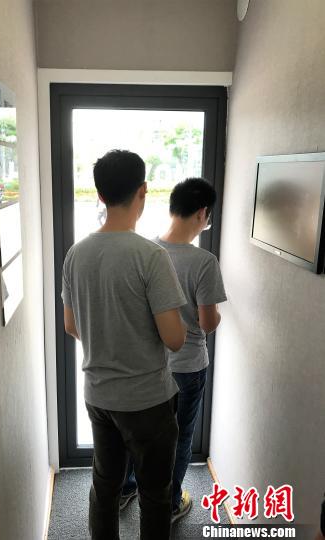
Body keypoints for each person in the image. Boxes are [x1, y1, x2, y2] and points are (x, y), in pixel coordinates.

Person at [61, 149, 188, 540]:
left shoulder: (76, 254)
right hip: (147, 400)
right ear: (142, 191)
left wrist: (109, 337)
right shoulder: (151, 256)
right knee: (155, 494)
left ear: (100, 194)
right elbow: (175, 339)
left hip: (99, 396)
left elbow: (71, 326)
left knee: (105, 487)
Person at [121, 178, 227, 524]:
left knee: (139, 434)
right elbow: (207, 323)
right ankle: (168, 504)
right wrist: (218, 314)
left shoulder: (145, 251)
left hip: (149, 363)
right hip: (187, 366)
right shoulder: (204, 262)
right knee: (178, 438)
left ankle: (126, 488)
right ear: (202, 213)